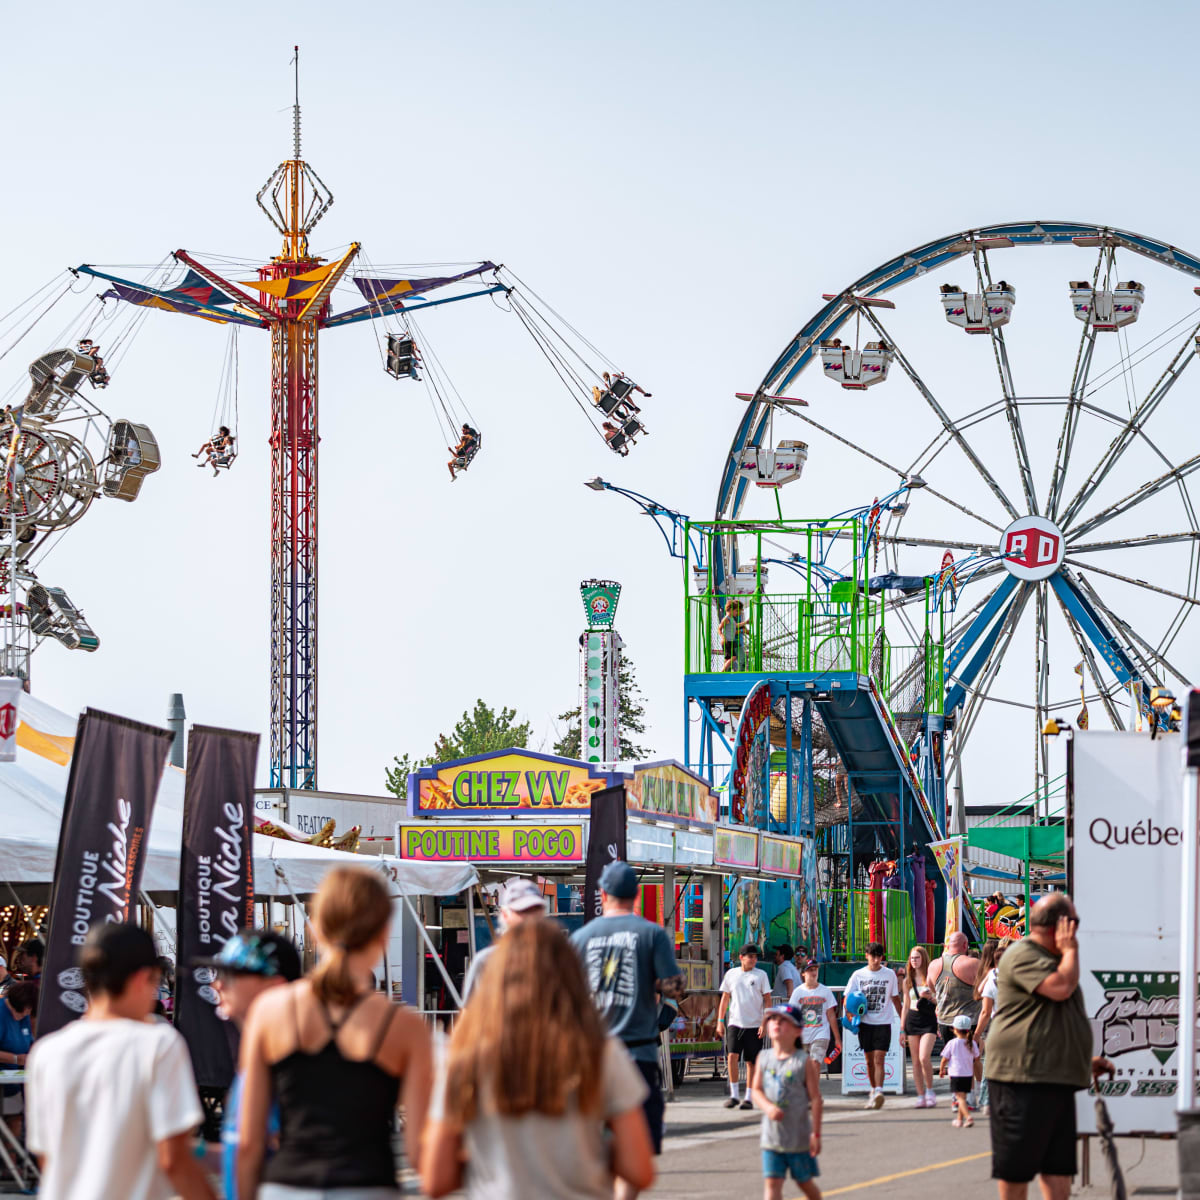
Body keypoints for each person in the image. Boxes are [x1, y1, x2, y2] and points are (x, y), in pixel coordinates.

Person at [236, 865, 433, 1199]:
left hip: (286, 1187)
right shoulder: (405, 1027)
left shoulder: (269, 1012)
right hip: (369, 1186)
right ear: (384, 935)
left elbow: (249, 1141)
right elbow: (418, 1151)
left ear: (316, 930)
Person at [422, 919, 655, 1200]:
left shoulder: (464, 1055)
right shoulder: (600, 1051)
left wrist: (484, 1167)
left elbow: (436, 1179)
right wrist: (594, 1155)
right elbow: (640, 1169)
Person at [27, 922, 215, 1200]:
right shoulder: (158, 1043)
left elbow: (47, 1157)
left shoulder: (46, 1052)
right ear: (143, 978)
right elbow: (174, 1158)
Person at [986, 894, 1113, 1200]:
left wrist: (1082, 1060)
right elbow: (1060, 988)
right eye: (1074, 923)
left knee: (1058, 1167)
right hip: (1021, 1078)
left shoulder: (1054, 961)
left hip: (1053, 1076)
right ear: (1062, 925)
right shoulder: (1023, 953)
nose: (1076, 932)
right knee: (1016, 1167)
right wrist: (1071, 951)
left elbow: (1052, 1019)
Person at [570, 859, 683, 1193]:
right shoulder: (651, 934)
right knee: (636, 1149)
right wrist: (654, 987)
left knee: (592, 1146)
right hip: (638, 1055)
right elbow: (674, 987)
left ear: (602, 894)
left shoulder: (581, 938)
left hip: (592, 1057)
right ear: (636, 894)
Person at [198, 931, 302, 1200]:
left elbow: (257, 1152)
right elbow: (245, 1151)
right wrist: (188, 1151)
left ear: (275, 985)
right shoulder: (260, 1055)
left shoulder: (293, 1058)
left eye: (232, 976)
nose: (217, 985)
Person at [749, 1003, 822, 1200]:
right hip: (772, 1138)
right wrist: (768, 1107)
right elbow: (755, 1090)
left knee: (804, 1183)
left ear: (798, 1030)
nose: (776, 1024)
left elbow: (815, 1099)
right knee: (772, 1185)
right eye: (773, 1019)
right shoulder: (763, 1057)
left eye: (784, 1021)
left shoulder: (802, 1060)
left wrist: (815, 1134)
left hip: (798, 1139)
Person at [462, 877, 547, 1000]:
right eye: (522, 911)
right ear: (505, 915)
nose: (530, 918)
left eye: (535, 911)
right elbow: (469, 1013)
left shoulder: (556, 960)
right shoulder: (485, 962)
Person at [845, 942, 902, 1110]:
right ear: (867, 956)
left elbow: (895, 999)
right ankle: (872, 1090)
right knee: (869, 1061)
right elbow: (848, 998)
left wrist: (903, 1023)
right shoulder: (858, 975)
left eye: (879, 957)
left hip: (883, 1022)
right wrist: (850, 1015)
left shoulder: (889, 974)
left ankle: (879, 1091)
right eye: (873, 956)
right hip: (865, 1022)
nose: (876, 960)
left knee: (879, 1058)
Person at [717, 943, 772, 1110]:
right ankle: (734, 1095)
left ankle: (748, 1097)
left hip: (754, 1024)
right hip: (735, 1022)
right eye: (750, 957)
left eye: (755, 957)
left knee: (751, 1062)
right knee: (732, 1056)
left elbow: (767, 999)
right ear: (741, 958)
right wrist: (720, 1022)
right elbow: (725, 998)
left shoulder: (761, 975)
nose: (753, 960)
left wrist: (765, 1022)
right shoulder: (731, 974)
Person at [928, 930, 981, 1103]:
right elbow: (984, 988)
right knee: (972, 1059)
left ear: (948, 945)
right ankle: (972, 1095)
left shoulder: (934, 965)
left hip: (945, 1020)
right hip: (969, 1020)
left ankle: (956, 1096)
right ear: (965, 945)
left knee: (953, 1059)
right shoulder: (972, 963)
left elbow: (932, 989)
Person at [901, 945, 939, 1108]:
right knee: (915, 1060)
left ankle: (930, 1090)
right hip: (912, 1019)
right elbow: (905, 1005)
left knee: (924, 1057)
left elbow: (940, 1002)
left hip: (928, 1019)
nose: (914, 961)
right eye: (912, 958)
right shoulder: (907, 980)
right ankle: (920, 1095)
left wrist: (930, 997)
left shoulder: (930, 978)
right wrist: (902, 1029)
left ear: (923, 959)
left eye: (917, 957)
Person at [972, 939, 1006, 1114]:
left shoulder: (993, 978)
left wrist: (976, 1035)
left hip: (997, 1025)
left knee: (991, 1064)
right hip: (1018, 1025)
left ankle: (987, 1101)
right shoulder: (1021, 977)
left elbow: (985, 1011)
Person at [787, 959, 840, 1065]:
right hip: (802, 1035)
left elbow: (831, 1015)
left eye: (815, 969)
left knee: (815, 1063)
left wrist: (837, 1039)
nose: (814, 973)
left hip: (820, 1034)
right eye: (810, 970)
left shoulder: (825, 991)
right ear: (803, 973)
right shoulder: (798, 992)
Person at [0, 981, 36, 1134]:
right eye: (22, 1012)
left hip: (13, 1082)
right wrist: (16, 1059)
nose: (24, 1015)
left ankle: (13, 1157)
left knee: (15, 1123)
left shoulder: (24, 1014)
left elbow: (28, 1041)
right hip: (4, 1078)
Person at [939, 1014, 980, 1128]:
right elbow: (976, 1058)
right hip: (968, 1074)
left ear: (955, 1029)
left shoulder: (952, 1043)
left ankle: (969, 1118)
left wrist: (942, 1070)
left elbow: (944, 1059)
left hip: (956, 1074)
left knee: (960, 1099)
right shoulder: (972, 1043)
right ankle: (959, 1120)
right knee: (963, 1098)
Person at [719, 598, 749, 672]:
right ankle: (722, 672)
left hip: (733, 641)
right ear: (732, 610)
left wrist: (745, 623)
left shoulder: (732, 618)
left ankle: (724, 672)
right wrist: (723, 637)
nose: (738, 612)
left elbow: (736, 626)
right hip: (728, 641)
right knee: (733, 658)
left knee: (728, 659)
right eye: (737, 610)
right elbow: (720, 629)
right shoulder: (727, 619)